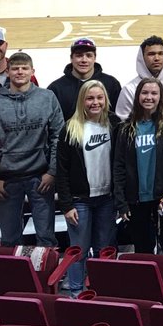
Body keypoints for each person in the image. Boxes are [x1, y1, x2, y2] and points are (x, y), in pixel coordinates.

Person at [0, 52, 65, 248]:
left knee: (46, 237)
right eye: (15, 68)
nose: (20, 72)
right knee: (10, 239)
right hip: (7, 180)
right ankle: (15, 276)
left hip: (40, 178)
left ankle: (46, 276)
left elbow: (58, 137)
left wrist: (52, 172)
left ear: (32, 71)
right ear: (8, 72)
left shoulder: (47, 98)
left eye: (24, 68)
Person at [55, 80, 118, 295]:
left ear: (106, 100)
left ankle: (102, 292)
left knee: (104, 250)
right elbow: (62, 171)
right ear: (82, 100)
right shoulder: (70, 129)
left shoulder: (114, 125)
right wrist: (66, 205)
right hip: (79, 201)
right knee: (78, 251)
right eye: (90, 98)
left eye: (99, 98)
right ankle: (75, 293)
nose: (95, 102)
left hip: (106, 200)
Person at [113, 77, 163, 256]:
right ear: (137, 96)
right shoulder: (126, 129)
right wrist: (121, 203)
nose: (149, 97)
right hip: (137, 200)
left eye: (154, 93)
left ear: (160, 97)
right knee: (143, 251)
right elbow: (119, 166)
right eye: (145, 93)